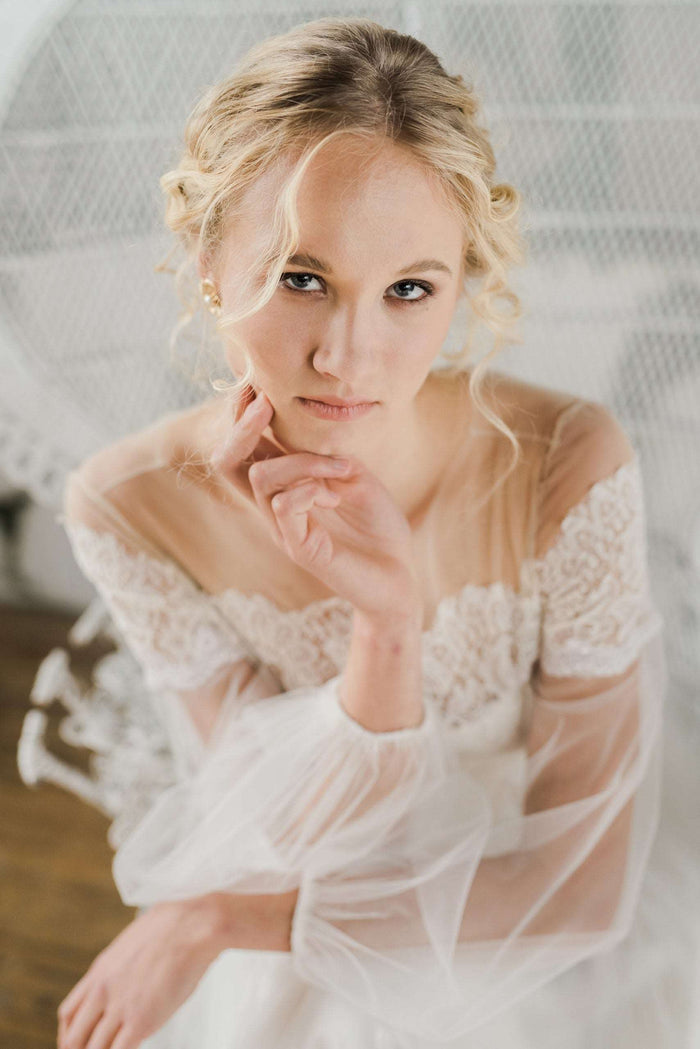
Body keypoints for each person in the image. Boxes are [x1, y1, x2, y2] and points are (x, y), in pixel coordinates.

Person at [54, 16, 668, 1049]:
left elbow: (578, 896)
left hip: (527, 919)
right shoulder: (129, 506)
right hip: (331, 875)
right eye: (302, 278)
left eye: (408, 290)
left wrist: (211, 917)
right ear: (207, 258)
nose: (348, 354)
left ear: (463, 281)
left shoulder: (568, 464)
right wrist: (385, 632)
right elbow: (298, 837)